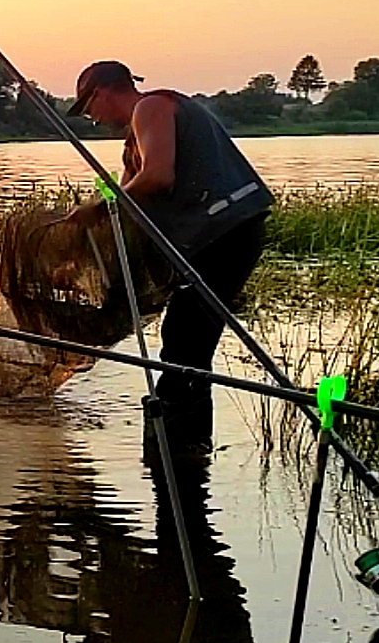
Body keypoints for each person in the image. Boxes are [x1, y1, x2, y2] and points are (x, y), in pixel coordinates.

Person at [66, 60, 273, 443]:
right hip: (214, 240)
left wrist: (99, 208)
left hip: (226, 234)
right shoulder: (137, 138)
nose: (92, 120)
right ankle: (186, 446)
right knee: (185, 342)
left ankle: (180, 448)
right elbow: (135, 193)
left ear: (102, 93)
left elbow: (159, 177)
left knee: (185, 344)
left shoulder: (153, 107)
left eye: (88, 109)